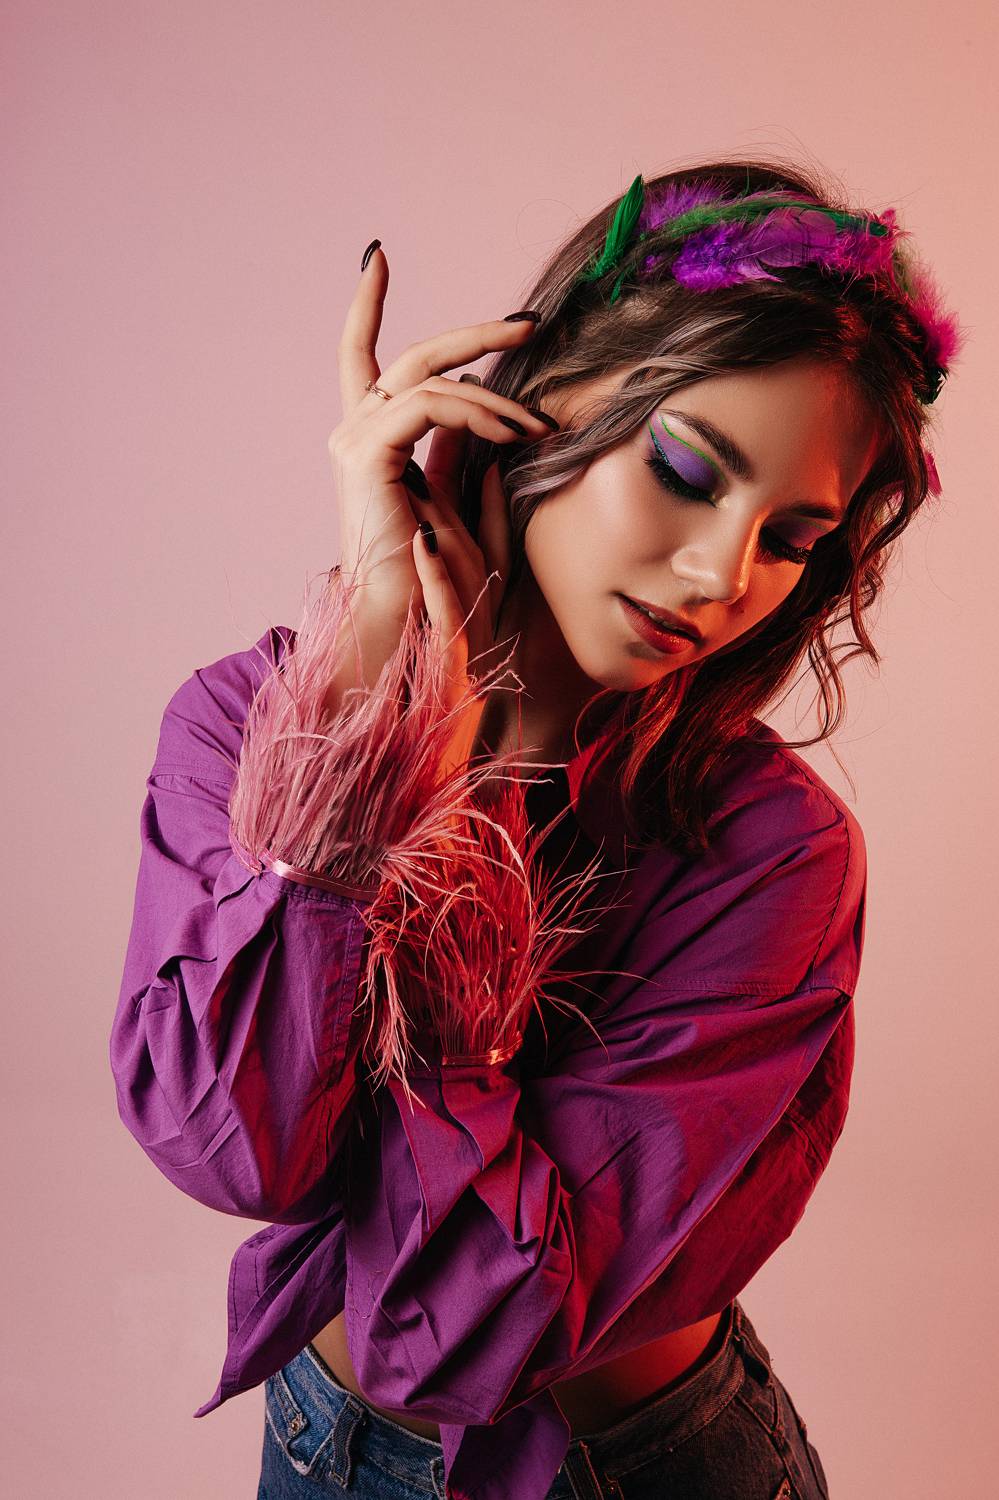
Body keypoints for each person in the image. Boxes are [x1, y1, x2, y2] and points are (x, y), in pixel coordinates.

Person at [109, 157, 963, 1500]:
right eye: (686, 469)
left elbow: (466, 1326)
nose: (722, 575)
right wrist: (366, 723)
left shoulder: (775, 856)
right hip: (319, 1445)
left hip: (637, 1472)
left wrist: (476, 804)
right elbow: (234, 1146)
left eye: (793, 538)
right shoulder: (247, 726)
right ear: (536, 399)